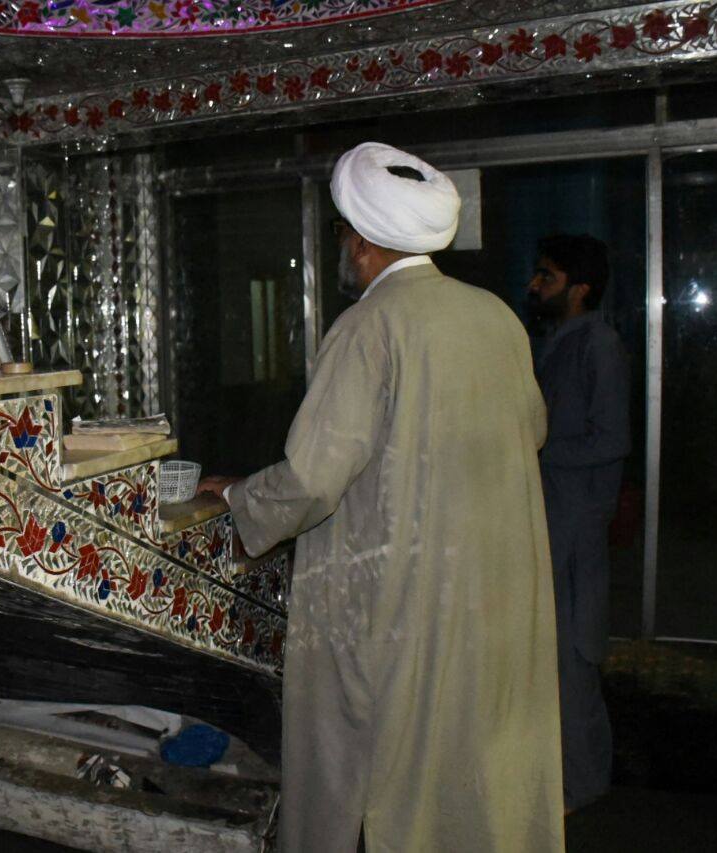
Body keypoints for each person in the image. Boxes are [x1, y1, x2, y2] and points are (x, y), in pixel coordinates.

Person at [199, 142, 564, 853]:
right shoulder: (496, 318)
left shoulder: (371, 324)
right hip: (489, 593)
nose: (343, 246)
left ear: (363, 241)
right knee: (474, 769)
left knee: (376, 769)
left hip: (399, 600)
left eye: (343, 231)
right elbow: (532, 430)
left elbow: (313, 478)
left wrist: (240, 494)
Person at [525, 234, 630, 813]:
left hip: (577, 531)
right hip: (550, 524)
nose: (535, 285)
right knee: (551, 662)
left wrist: (536, 451)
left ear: (581, 288)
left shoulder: (599, 345)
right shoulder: (558, 342)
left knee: (574, 662)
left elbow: (612, 440)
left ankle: (585, 787)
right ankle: (561, 778)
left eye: (548, 276)